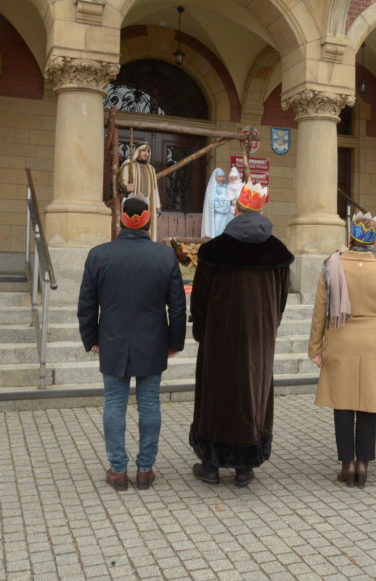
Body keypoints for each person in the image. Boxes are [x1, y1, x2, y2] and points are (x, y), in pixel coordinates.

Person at [78, 195, 186, 491]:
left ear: (121, 220)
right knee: (149, 403)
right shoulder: (164, 256)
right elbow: (177, 306)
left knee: (114, 402)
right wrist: (175, 341)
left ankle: (117, 471)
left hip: (112, 340)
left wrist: (90, 339)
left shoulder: (99, 254)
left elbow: (87, 304)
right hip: (153, 341)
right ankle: (145, 470)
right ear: (149, 221)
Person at [189, 182, 292, 487]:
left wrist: (201, 331)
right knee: (252, 394)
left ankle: (211, 464)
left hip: (220, 338)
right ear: (261, 210)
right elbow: (282, 299)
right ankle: (245, 467)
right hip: (259, 339)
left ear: (236, 209)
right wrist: (269, 325)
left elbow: (200, 299)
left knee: (215, 395)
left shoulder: (213, 250)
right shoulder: (277, 253)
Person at [308, 212, 376, 488]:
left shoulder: (332, 265)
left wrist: (315, 347)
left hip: (340, 338)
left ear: (350, 238)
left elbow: (319, 312)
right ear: (373, 243)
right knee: (368, 403)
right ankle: (364, 466)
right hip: (373, 342)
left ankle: (347, 464)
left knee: (343, 403)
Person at [117, 142, 160, 240]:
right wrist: (125, 187)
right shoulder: (129, 165)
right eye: (144, 151)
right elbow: (121, 181)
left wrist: (157, 208)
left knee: (148, 230)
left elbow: (154, 188)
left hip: (148, 205)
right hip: (133, 204)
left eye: (148, 151)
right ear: (138, 152)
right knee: (132, 228)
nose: (146, 153)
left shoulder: (151, 169)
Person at [200, 167, 233, 239]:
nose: (221, 178)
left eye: (223, 177)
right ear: (215, 178)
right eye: (219, 177)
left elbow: (231, 200)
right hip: (216, 216)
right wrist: (225, 205)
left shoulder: (227, 187)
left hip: (226, 217)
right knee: (217, 233)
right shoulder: (211, 189)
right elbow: (213, 204)